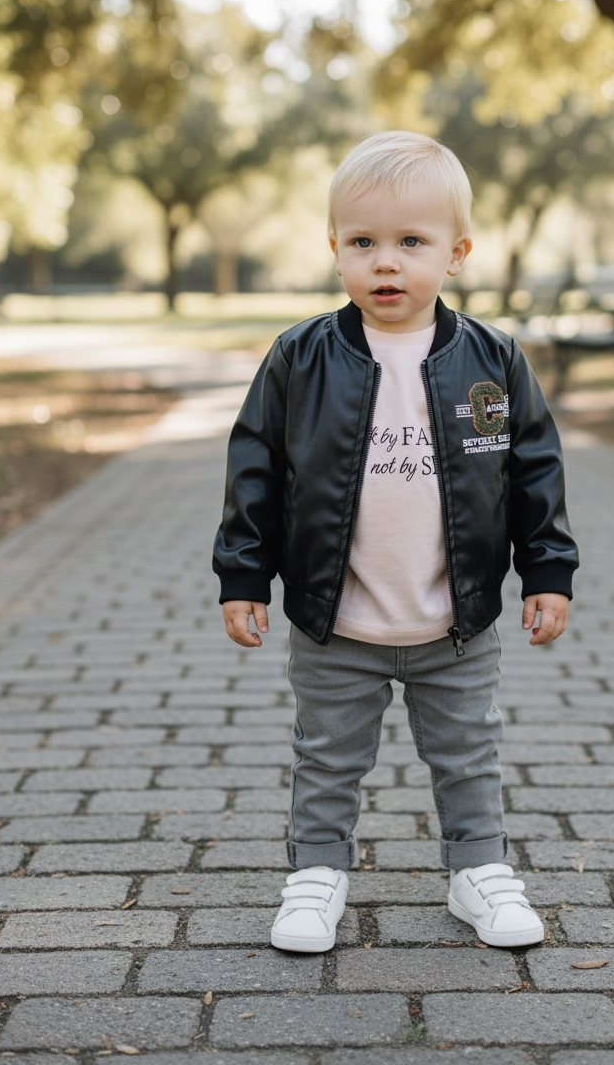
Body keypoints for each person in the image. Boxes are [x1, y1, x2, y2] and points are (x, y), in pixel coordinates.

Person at [213, 130, 579, 954]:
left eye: (411, 242)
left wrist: (547, 570)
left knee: (468, 756)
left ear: (456, 252)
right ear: (334, 248)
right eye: (363, 242)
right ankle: (316, 875)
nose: (386, 263)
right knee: (328, 758)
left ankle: (477, 871)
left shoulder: (492, 358)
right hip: (335, 620)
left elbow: (533, 472)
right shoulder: (300, 357)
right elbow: (255, 468)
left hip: (456, 621)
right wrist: (243, 576)